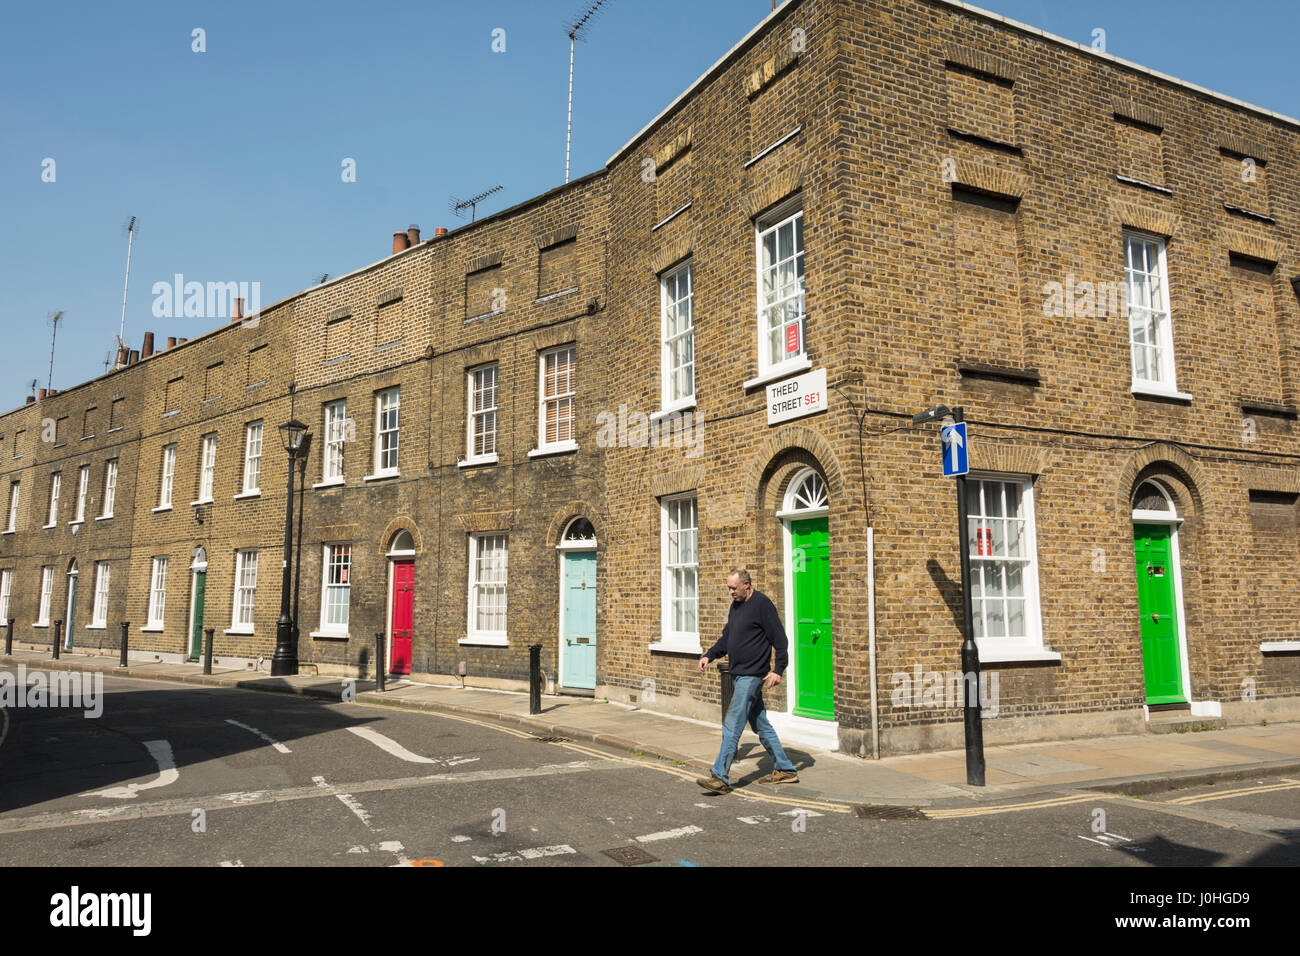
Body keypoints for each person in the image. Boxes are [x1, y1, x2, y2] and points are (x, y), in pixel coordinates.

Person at [696, 568, 799, 793]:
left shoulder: (763, 605)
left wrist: (778, 670)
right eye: (729, 588)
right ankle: (785, 769)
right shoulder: (736, 606)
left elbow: (780, 640)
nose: (730, 592)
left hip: (752, 675)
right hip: (738, 673)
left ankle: (720, 777)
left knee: (732, 724)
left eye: (734, 588)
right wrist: (709, 655)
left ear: (747, 584)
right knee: (761, 724)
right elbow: (727, 638)